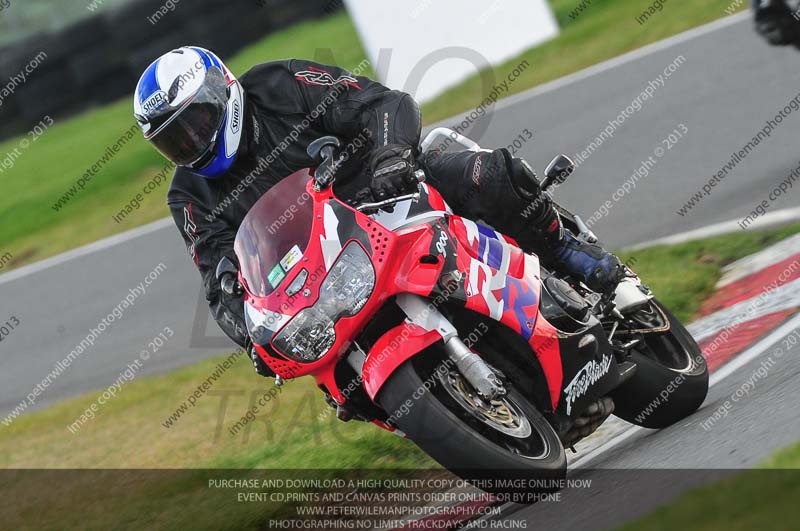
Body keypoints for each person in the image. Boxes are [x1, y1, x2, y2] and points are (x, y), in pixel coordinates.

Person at [133, 47, 623, 375]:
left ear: (222, 93)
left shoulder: (281, 84)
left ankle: (566, 251)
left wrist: (391, 153)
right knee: (330, 372)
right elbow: (218, 279)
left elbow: (380, 103)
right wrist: (250, 337)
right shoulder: (189, 196)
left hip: (388, 193)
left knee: (484, 176)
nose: (192, 144)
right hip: (321, 273)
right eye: (174, 140)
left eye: (195, 124)